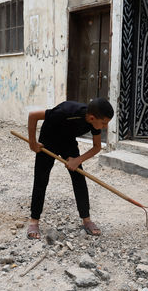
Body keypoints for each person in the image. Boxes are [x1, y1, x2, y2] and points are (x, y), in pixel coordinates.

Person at [26, 98, 114, 239]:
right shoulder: (65, 111)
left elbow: (97, 147)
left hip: (67, 142)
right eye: (104, 123)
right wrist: (32, 143)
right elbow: (33, 116)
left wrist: (77, 160)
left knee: (79, 177)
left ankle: (86, 220)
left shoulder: (94, 123)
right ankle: (34, 221)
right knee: (41, 179)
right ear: (92, 117)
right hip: (48, 140)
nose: (105, 127)